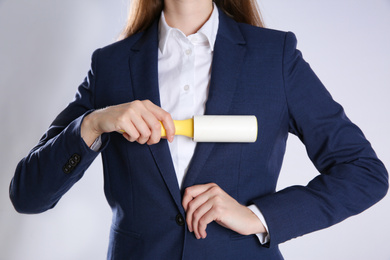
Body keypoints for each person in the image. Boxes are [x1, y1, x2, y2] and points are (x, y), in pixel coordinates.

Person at [9, 0, 388, 259]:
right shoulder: (110, 66)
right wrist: (94, 123)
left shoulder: (275, 57)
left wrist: (256, 216)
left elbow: (365, 173)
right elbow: (27, 195)